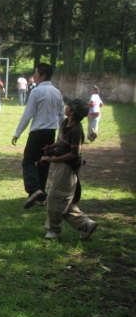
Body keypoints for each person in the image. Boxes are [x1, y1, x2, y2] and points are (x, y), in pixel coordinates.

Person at [40, 98, 97, 240]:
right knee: (63, 200)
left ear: (72, 112)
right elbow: (60, 141)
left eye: (68, 106)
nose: (66, 107)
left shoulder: (77, 130)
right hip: (60, 166)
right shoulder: (66, 123)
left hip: (67, 169)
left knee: (55, 198)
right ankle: (86, 225)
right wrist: (51, 147)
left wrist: (51, 159)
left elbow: (74, 154)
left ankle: (53, 230)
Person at [12, 63, 64, 209]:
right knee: (43, 162)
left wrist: (17, 133)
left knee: (28, 161)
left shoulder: (36, 92)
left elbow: (27, 115)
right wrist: (61, 135)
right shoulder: (57, 92)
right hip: (50, 133)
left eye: (36, 73)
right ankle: (40, 195)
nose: (33, 76)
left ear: (42, 75)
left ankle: (34, 190)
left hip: (37, 132)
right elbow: (61, 116)